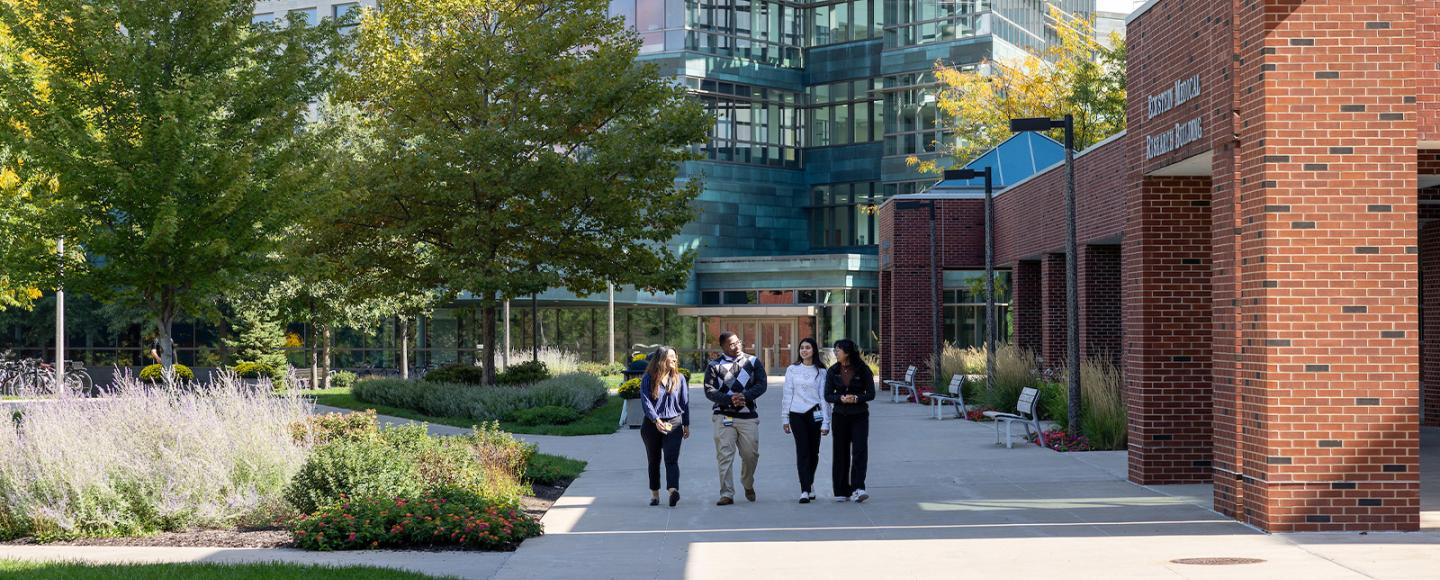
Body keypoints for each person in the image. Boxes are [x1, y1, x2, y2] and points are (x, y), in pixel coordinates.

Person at [704, 331, 767, 505]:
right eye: (731, 344)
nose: (737, 345)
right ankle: (726, 493)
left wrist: (745, 397)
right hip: (723, 416)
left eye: (738, 342)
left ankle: (747, 483)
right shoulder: (714, 365)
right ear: (723, 346)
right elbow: (709, 390)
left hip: (748, 415)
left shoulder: (753, 361)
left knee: (750, 455)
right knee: (724, 455)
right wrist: (728, 399)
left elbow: (762, 385)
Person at [824, 338, 874, 503]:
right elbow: (828, 395)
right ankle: (841, 490)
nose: (835, 353)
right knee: (840, 452)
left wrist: (856, 398)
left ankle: (858, 488)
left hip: (859, 415)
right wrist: (841, 398)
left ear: (847, 352)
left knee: (860, 451)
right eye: (835, 350)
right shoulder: (833, 371)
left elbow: (871, 394)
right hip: (840, 416)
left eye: (838, 350)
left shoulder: (863, 369)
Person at [781, 337, 830, 504]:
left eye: (808, 348)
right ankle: (804, 489)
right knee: (802, 451)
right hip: (796, 414)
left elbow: (824, 398)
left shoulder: (822, 372)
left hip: (815, 414)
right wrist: (785, 419)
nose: (804, 350)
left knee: (813, 452)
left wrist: (826, 422)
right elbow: (787, 395)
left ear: (814, 350)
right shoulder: (792, 370)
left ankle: (810, 482)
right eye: (802, 348)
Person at [640, 346, 690, 507]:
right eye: (671, 357)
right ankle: (654, 495)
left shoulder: (680, 378)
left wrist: (686, 423)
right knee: (653, 460)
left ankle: (673, 490)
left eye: (676, 357)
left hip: (674, 424)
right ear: (662, 360)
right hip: (651, 425)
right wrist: (656, 420)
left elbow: (684, 403)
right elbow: (646, 402)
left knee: (671, 459)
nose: (675, 359)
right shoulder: (648, 378)